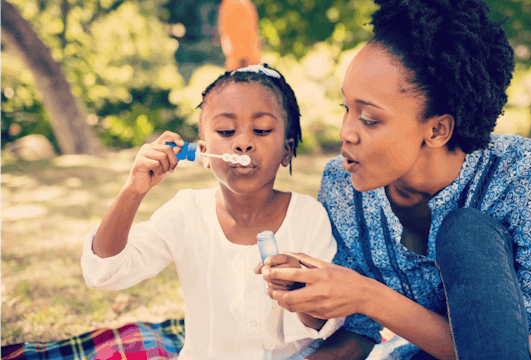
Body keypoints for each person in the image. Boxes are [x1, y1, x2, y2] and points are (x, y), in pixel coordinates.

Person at [259, 1, 531, 359]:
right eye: (347, 109)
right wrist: (310, 297)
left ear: (436, 129)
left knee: (465, 231)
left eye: (369, 119)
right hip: (436, 350)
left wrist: (367, 295)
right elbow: (359, 332)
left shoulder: (522, 170)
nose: (346, 133)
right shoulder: (343, 184)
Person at [81, 64, 343, 360]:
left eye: (262, 130)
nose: (243, 142)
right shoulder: (186, 213)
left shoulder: (309, 216)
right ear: (203, 152)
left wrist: (299, 293)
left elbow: (325, 323)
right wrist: (132, 190)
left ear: (286, 150)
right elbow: (104, 273)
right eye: (226, 130)